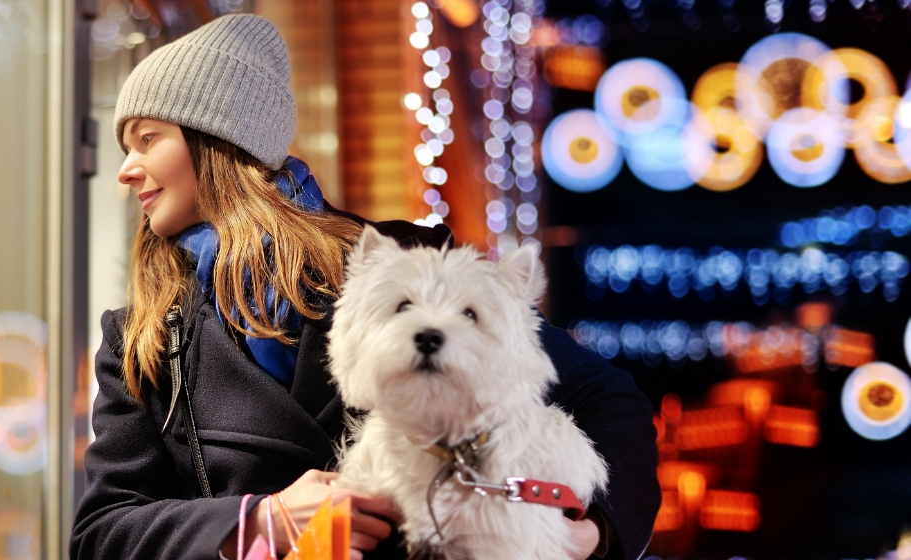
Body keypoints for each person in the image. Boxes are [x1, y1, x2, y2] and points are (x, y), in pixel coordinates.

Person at [70, 14, 660, 560]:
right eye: (125, 147)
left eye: (148, 139)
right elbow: (102, 532)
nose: (126, 168)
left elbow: (608, 400)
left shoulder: (406, 262)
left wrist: (592, 533)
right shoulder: (140, 337)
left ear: (220, 140)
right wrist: (263, 519)